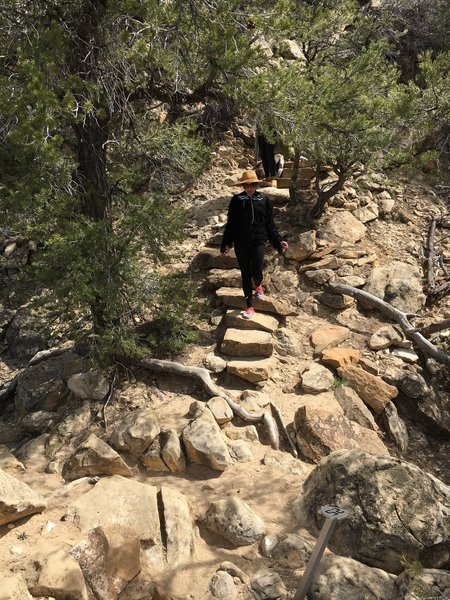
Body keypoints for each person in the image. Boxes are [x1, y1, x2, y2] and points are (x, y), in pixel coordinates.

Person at [220, 170, 289, 319]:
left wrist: (278, 240)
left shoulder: (264, 199)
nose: (250, 188)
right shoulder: (236, 200)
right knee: (245, 273)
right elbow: (231, 223)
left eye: (252, 185)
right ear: (243, 186)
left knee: (257, 271)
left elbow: (269, 223)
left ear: (257, 185)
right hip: (241, 242)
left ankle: (258, 285)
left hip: (259, 240)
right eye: (247, 185)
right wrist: (226, 243)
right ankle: (249, 306)